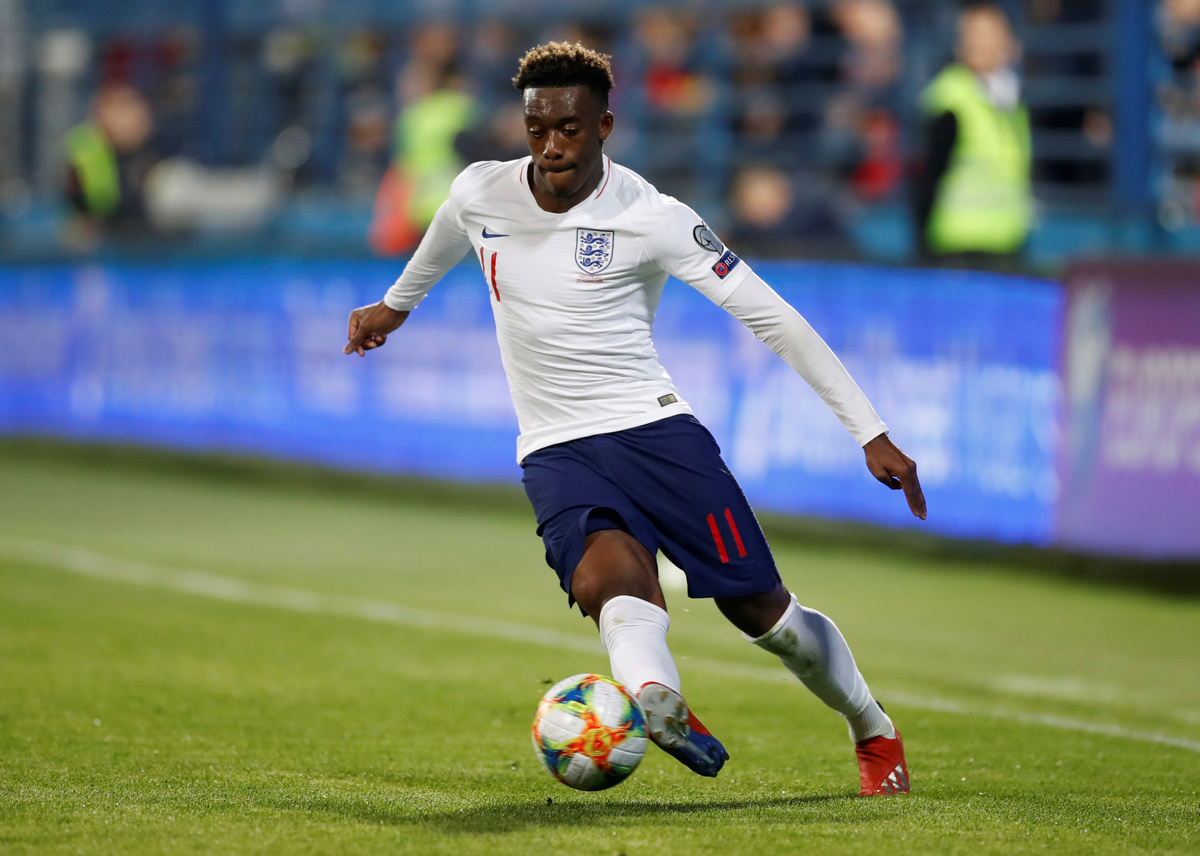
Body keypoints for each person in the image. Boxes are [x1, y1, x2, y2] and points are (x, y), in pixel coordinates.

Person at [343, 42, 925, 796]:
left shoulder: (653, 217)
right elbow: (444, 238)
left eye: (570, 129)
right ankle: (657, 699)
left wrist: (869, 430)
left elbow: (774, 319)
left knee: (764, 614)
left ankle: (871, 727)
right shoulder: (481, 191)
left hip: (655, 436)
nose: (551, 146)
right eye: (537, 129)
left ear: (605, 126)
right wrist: (394, 306)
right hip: (555, 448)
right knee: (610, 586)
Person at [914, 3, 1032, 267]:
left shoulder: (1012, 102)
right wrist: (923, 251)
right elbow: (926, 179)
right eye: (972, 34)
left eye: (989, 33)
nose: (979, 43)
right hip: (957, 249)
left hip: (1006, 244)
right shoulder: (950, 99)